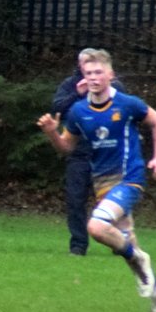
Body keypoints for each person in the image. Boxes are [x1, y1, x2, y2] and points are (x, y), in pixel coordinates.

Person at [35, 49, 156, 312]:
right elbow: (66, 148)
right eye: (89, 74)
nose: (94, 78)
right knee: (127, 246)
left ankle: (142, 260)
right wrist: (52, 133)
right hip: (103, 184)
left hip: (129, 178)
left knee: (96, 227)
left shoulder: (127, 104)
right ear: (83, 77)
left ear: (110, 75)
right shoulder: (78, 111)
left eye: (99, 72)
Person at [49, 48, 97, 255]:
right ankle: (78, 245)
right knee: (75, 199)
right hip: (78, 152)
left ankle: (118, 241)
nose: (89, 69)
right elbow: (56, 108)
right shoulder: (70, 84)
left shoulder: (112, 85)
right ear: (79, 65)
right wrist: (77, 94)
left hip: (106, 153)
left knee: (111, 200)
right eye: (85, 63)